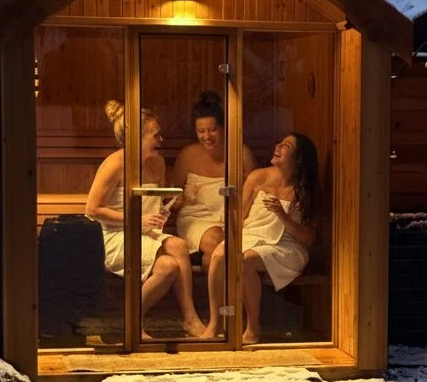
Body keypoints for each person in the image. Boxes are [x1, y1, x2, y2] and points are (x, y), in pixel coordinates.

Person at [85, 100, 208, 339]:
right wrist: (137, 220)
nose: (160, 140)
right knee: (170, 262)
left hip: (146, 233)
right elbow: (92, 209)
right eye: (155, 135)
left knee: (174, 256)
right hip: (115, 235)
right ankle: (138, 324)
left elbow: (157, 204)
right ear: (136, 138)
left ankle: (186, 319)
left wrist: (178, 201)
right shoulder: (114, 165)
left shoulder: (158, 163)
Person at [203, 133, 319, 343]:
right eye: (280, 142)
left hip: (287, 246)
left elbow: (308, 239)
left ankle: (252, 327)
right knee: (219, 255)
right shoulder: (258, 177)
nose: (278, 146)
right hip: (251, 235)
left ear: (298, 157)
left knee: (246, 259)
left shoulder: (304, 189)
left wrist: (283, 216)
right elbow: (239, 216)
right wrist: (229, 240)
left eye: (287, 145)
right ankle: (215, 321)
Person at [171, 90, 257, 268]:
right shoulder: (187, 155)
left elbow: (256, 192)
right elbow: (171, 198)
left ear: (223, 127)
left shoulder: (241, 153)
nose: (207, 136)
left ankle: (218, 294)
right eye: (201, 131)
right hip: (196, 219)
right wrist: (183, 198)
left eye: (212, 130)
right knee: (217, 240)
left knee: (221, 254)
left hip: (234, 219)